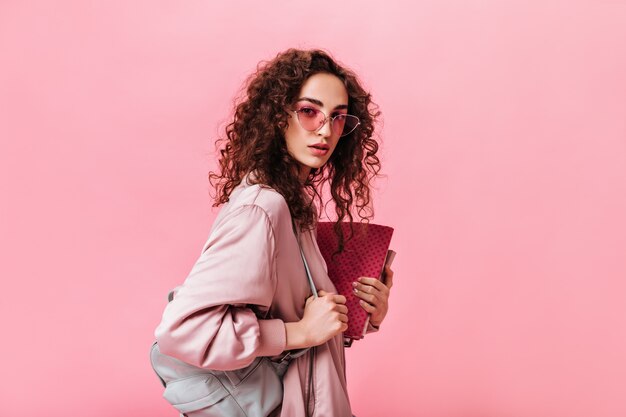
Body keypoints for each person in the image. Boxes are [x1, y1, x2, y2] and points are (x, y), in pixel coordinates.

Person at [154, 48, 395, 417]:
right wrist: (299, 333)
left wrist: (364, 313)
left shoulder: (293, 206)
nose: (325, 130)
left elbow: (302, 317)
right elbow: (181, 330)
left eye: (338, 117)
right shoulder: (263, 207)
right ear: (278, 116)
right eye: (309, 111)